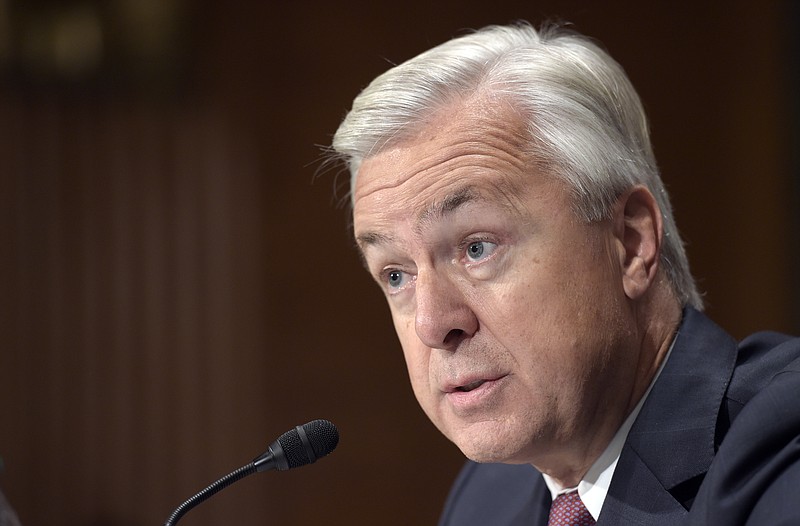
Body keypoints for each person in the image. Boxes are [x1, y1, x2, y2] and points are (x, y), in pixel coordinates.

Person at [330, 22, 800, 525]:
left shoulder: (776, 453)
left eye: (477, 248)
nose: (432, 323)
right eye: (396, 275)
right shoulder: (487, 501)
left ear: (630, 243)